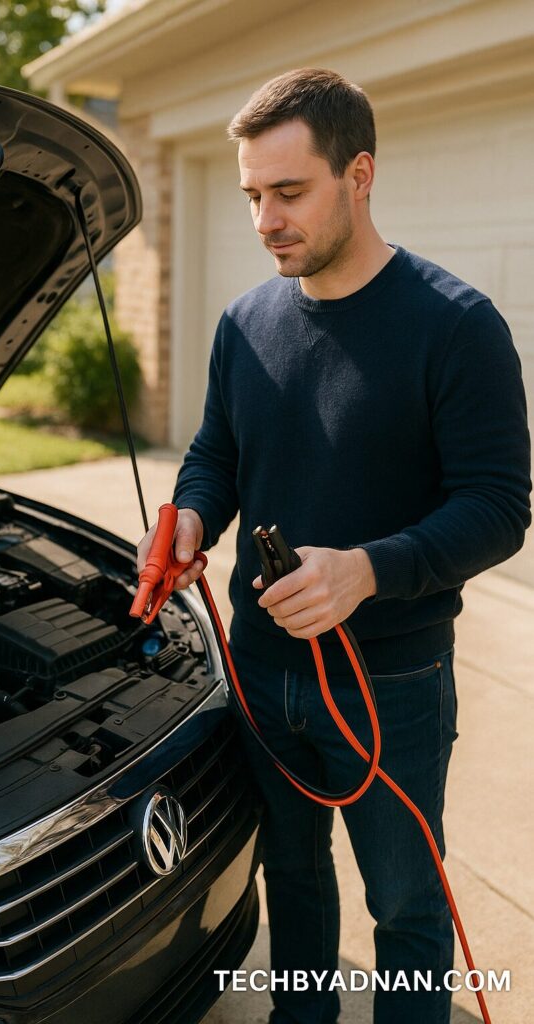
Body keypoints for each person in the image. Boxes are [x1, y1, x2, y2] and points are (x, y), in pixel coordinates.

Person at [136, 68, 531, 1024]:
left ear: (358, 174)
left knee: (403, 905)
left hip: (388, 681)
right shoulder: (244, 323)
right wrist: (192, 518)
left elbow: (497, 505)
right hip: (260, 668)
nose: (264, 220)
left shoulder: (456, 327)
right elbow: (216, 456)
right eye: (251, 196)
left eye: (288, 192)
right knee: (293, 877)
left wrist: (365, 571)